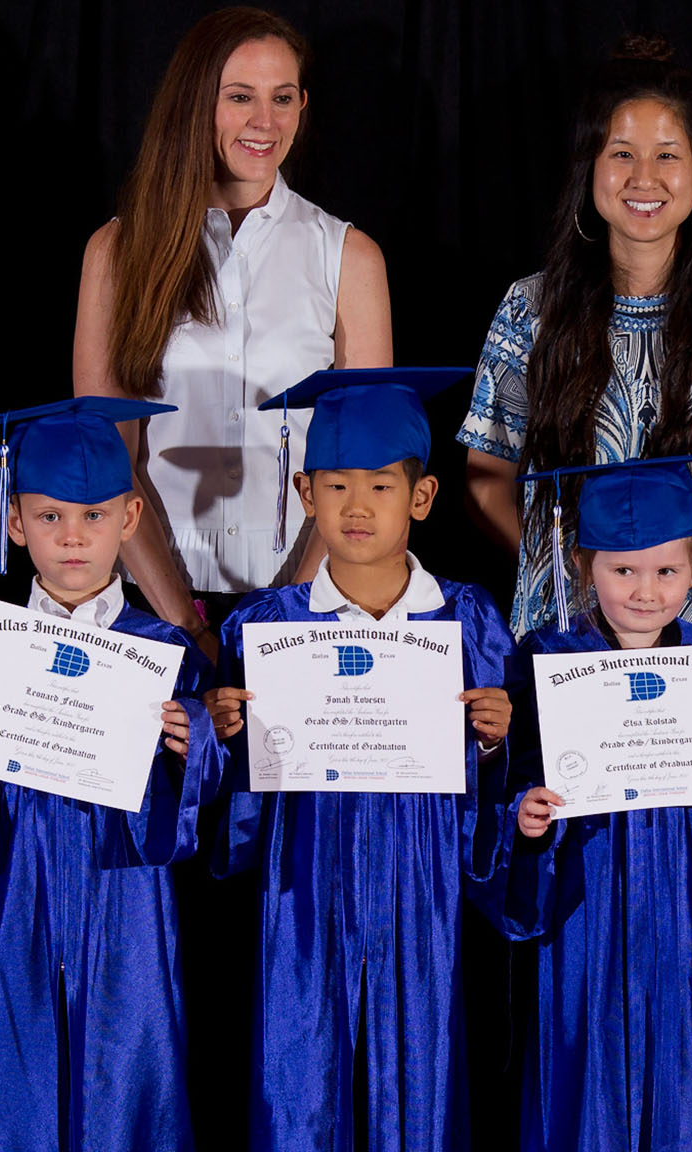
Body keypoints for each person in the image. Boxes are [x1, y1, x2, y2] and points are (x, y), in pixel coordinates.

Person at [0, 398, 224, 1152]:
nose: (73, 536)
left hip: (124, 899)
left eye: (93, 516)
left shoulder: (165, 653)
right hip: (7, 897)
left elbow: (200, 804)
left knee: (128, 1084)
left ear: (130, 519)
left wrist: (194, 738)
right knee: (6, 1089)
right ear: (15, 523)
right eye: (49, 517)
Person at [204, 368, 514, 1151]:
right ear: (306, 494)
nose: (357, 507)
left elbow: (499, 796)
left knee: (420, 1079)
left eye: (380, 486)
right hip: (303, 879)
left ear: (422, 497)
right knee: (299, 1077)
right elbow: (239, 806)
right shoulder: (265, 626)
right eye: (337, 486)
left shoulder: (468, 619)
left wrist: (493, 741)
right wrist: (227, 736)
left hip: (424, 882)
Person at [460, 35, 692, 646]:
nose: (644, 178)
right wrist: (573, 581)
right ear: (589, 166)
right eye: (621, 153)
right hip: (574, 633)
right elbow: (486, 478)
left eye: (667, 155)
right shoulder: (532, 308)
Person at [74, 6, 393, 654]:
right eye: (241, 97)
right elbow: (107, 459)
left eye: (283, 98)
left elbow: (359, 461)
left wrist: (285, 623)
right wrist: (185, 625)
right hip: (150, 608)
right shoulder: (118, 251)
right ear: (197, 104)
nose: (265, 121)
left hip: (305, 609)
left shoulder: (349, 256)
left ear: (303, 106)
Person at [496, 453, 692, 1152]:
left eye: (666, 571)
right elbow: (511, 781)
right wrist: (525, 818)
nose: (646, 592)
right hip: (585, 907)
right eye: (622, 570)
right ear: (582, 566)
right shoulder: (544, 662)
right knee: (587, 1088)